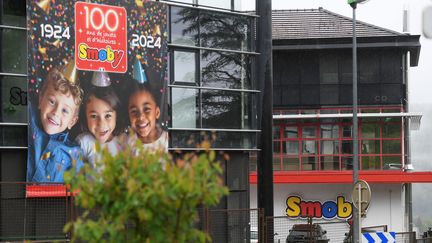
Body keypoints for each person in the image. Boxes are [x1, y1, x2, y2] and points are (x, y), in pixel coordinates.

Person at [27, 63, 84, 183]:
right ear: (41, 98)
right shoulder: (28, 119)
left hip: (51, 202)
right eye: (52, 101)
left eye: (65, 110)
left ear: (72, 121)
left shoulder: (74, 154)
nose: (56, 113)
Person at [76, 72, 122, 170]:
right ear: (85, 116)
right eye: (94, 116)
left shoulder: (123, 142)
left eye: (108, 115)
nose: (101, 123)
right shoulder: (84, 143)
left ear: (116, 115)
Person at [127, 81, 168, 152]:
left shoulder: (167, 141)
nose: (140, 117)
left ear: (157, 113)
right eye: (134, 111)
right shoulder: (127, 144)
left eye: (146, 109)